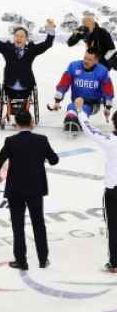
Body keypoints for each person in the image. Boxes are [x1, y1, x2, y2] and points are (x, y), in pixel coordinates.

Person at [0, 109, 59, 270]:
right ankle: (43, 259)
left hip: (16, 189)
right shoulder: (41, 140)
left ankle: (21, 260)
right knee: (38, 223)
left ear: (16, 123)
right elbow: (54, 160)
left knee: (18, 226)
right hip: (36, 188)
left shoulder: (11, 141)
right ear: (32, 121)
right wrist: (42, 157)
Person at [0, 15, 55, 126]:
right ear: (14, 37)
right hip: (10, 86)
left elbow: (47, 44)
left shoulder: (31, 50)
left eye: (21, 36)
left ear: (26, 39)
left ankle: (25, 116)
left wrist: (51, 28)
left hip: (26, 86)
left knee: (26, 98)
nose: (19, 38)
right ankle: (9, 115)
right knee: (8, 97)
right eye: (17, 36)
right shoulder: (7, 48)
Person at [74, 97, 117, 274]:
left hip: (113, 192)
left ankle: (115, 263)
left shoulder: (110, 140)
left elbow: (90, 129)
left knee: (113, 228)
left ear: (114, 125)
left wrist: (80, 110)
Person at [50, 47, 114, 131]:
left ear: (96, 61)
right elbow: (63, 84)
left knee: (85, 108)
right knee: (71, 106)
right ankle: (70, 118)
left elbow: (108, 90)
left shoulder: (103, 71)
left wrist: (108, 107)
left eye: (90, 60)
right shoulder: (73, 66)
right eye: (85, 58)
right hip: (77, 101)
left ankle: (79, 120)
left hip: (93, 103)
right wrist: (57, 101)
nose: (86, 61)